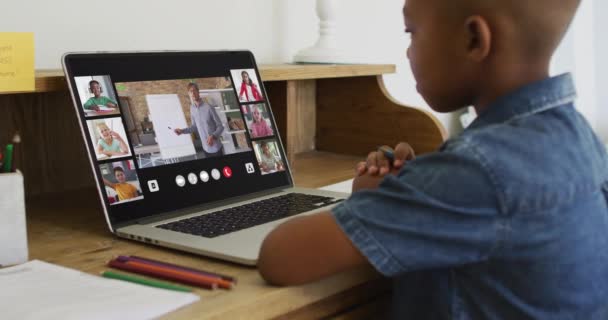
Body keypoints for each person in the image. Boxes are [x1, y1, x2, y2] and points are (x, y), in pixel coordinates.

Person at [258, 0, 608, 319]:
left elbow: (280, 256)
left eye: (412, 32)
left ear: (474, 39)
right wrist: (408, 188)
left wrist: (410, 193)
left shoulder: (478, 169)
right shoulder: (577, 137)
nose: (408, 52)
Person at [174, 83, 225, 157]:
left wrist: (213, 136)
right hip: (205, 149)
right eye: (190, 91)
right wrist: (182, 131)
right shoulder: (192, 109)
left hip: (216, 148)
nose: (193, 93)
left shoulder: (209, 107)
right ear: (189, 94)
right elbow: (194, 127)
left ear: (198, 92)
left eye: (194, 90)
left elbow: (220, 126)